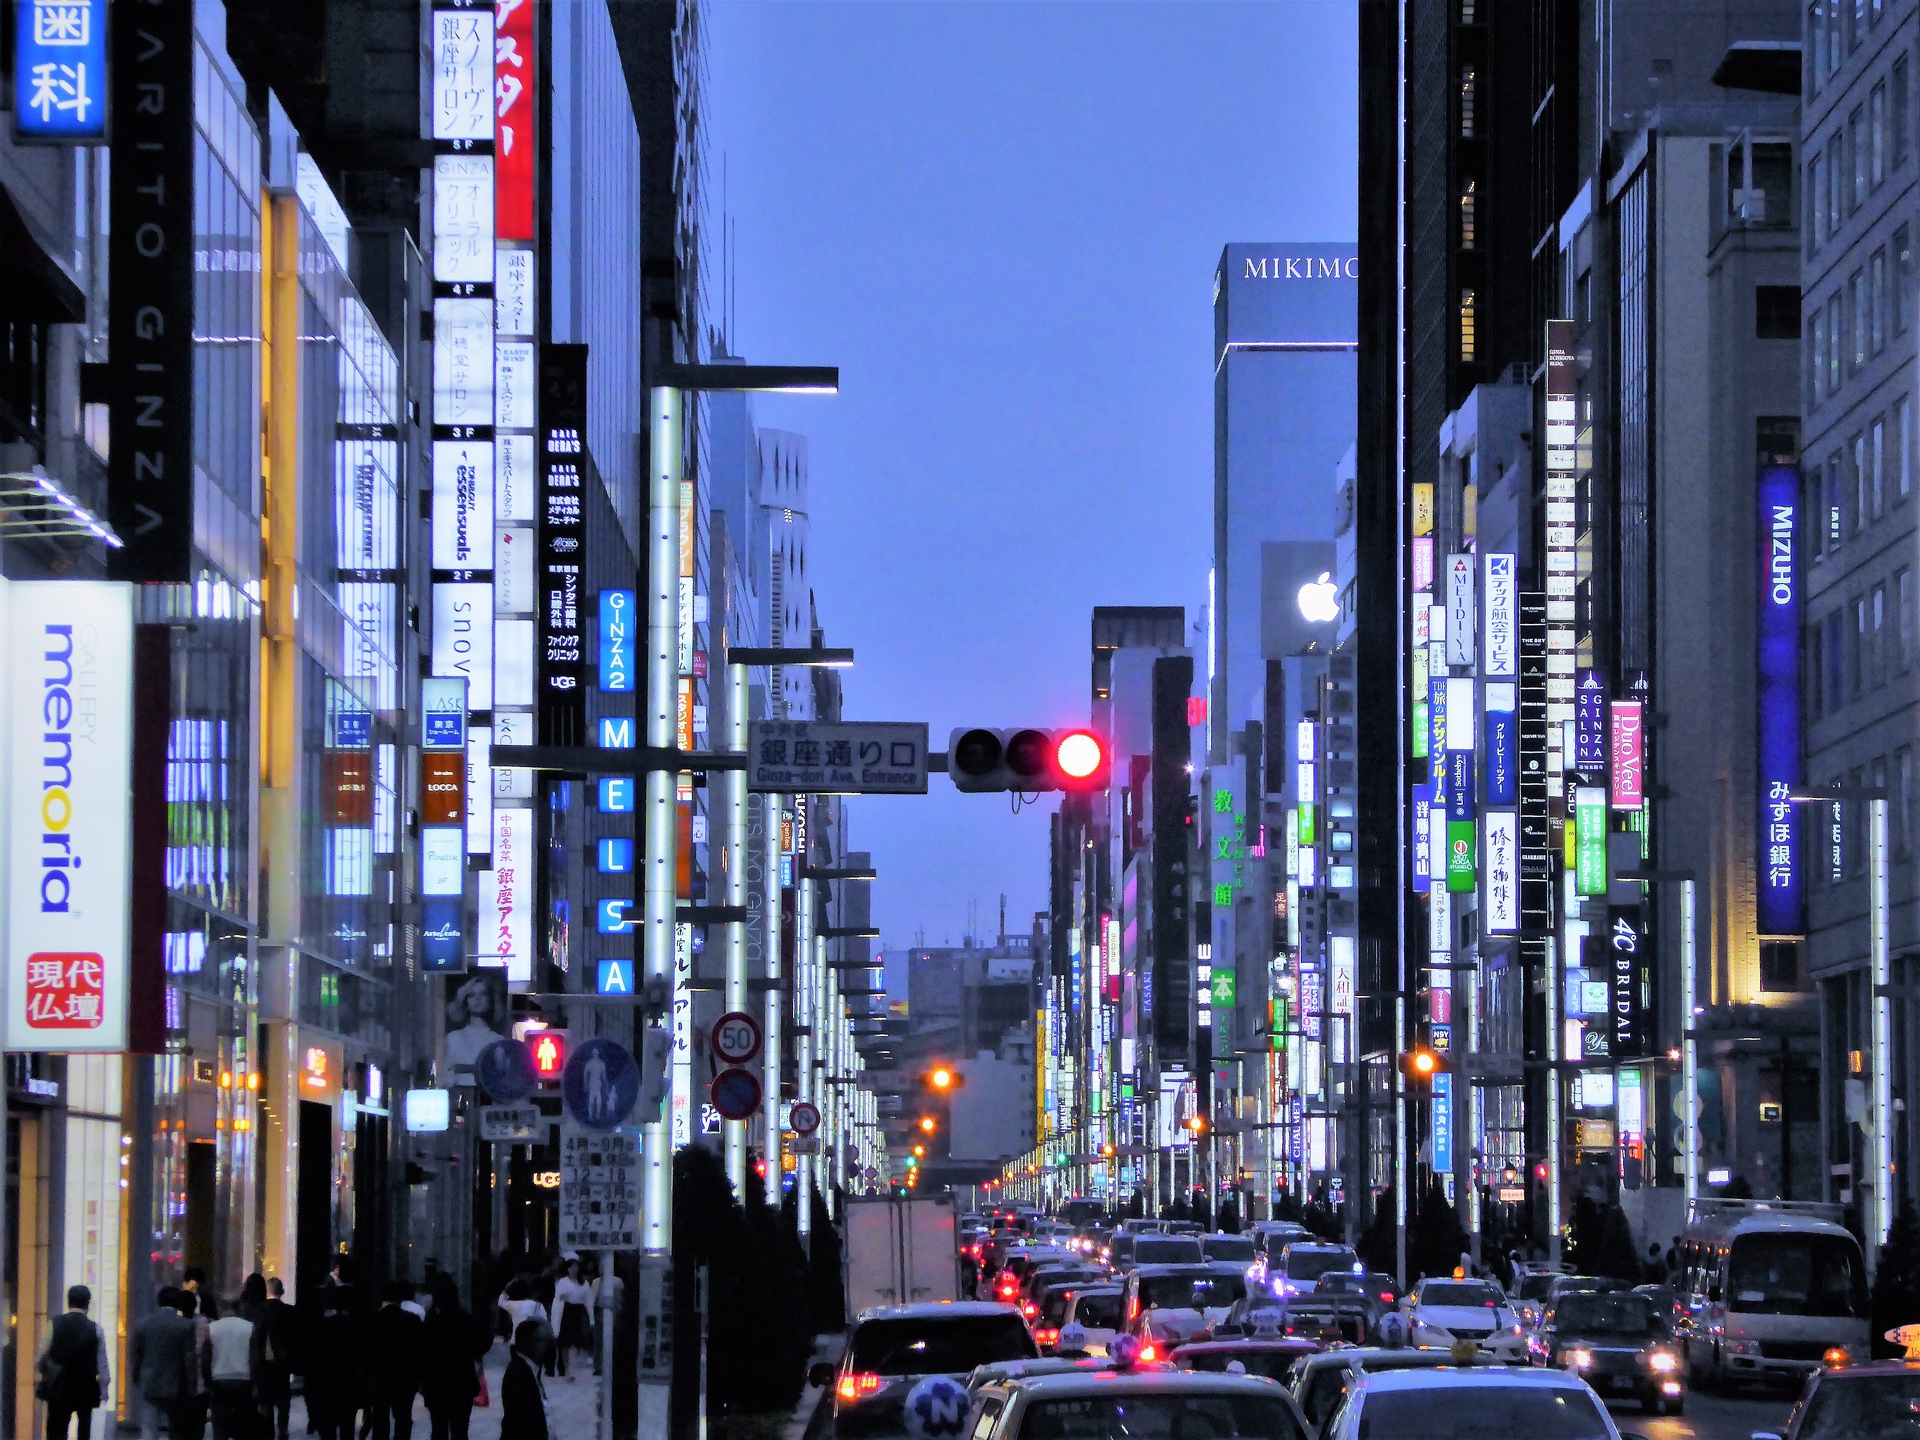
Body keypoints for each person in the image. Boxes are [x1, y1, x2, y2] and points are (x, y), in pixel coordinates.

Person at [40, 1285, 111, 1440]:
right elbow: (102, 1363)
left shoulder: (54, 1324)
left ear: (68, 1302)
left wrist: (46, 1374)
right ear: (87, 1304)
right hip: (86, 1387)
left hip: (59, 1385)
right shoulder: (95, 1329)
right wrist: (104, 1389)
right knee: (84, 1430)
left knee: (56, 1430)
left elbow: (42, 1355)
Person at [419, 1276, 485, 1440]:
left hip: (436, 1382)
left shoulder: (430, 1324)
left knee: (438, 1428)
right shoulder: (467, 1320)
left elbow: (420, 1351)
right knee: (460, 1430)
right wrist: (474, 1353)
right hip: (462, 1380)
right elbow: (485, 1339)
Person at [130, 1289, 196, 1440]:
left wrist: (136, 1375)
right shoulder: (186, 1326)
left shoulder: (143, 1324)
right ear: (178, 1304)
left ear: (158, 1302)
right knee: (170, 1426)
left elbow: (136, 1354)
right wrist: (191, 1383)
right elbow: (189, 1358)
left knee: (148, 1423)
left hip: (148, 1381)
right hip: (176, 1383)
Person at [307, 1261, 362, 1440]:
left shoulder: (319, 1327)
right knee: (347, 1428)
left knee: (327, 1429)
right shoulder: (352, 1326)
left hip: (325, 1384)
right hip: (347, 1382)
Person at [363, 1281, 424, 1440]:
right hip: (405, 1377)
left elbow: (366, 1351)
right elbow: (418, 1350)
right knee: (403, 1418)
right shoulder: (412, 1320)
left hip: (379, 1377)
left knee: (380, 1419)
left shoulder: (372, 1320)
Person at [252, 1279, 297, 1440]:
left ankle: (267, 1430)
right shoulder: (290, 1312)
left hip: (263, 1363)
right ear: (282, 1292)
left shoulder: (258, 1310)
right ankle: (283, 1428)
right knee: (283, 1397)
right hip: (283, 1363)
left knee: (265, 1399)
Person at [206, 1298, 255, 1440]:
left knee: (220, 1426)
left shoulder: (212, 1327)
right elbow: (254, 1357)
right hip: (244, 1380)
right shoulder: (249, 1327)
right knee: (243, 1426)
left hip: (219, 1379)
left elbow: (207, 1357)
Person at [499, 1321, 552, 1440]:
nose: (543, 1346)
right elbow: (521, 1419)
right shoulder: (519, 1373)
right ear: (523, 1343)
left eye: (545, 1340)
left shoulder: (530, 1369)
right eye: (537, 1340)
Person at [547, 1260, 593, 1381]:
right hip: (566, 1312)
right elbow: (558, 1297)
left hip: (579, 1312)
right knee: (565, 1343)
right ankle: (566, 1368)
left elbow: (588, 1300)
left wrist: (591, 1317)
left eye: (575, 1267)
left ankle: (571, 1369)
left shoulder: (584, 1283)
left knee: (575, 1342)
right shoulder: (563, 1282)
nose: (573, 1270)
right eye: (571, 1267)